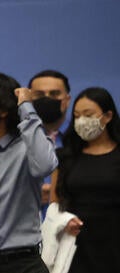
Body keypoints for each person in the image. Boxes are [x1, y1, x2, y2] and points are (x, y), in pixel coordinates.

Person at [0, 73, 57, 273]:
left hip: (22, 261)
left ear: (3, 109)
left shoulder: (29, 146)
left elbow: (45, 165)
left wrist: (26, 107)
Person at [51, 87, 120, 272]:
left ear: (107, 116)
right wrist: (62, 221)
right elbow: (54, 203)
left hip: (113, 243)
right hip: (74, 244)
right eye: (76, 115)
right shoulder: (65, 156)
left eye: (88, 114)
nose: (81, 121)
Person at [27, 70, 72, 217]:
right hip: (25, 232)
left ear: (67, 100)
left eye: (54, 94)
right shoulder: (15, 140)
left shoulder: (81, 140)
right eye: (39, 95)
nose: (47, 99)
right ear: (28, 99)